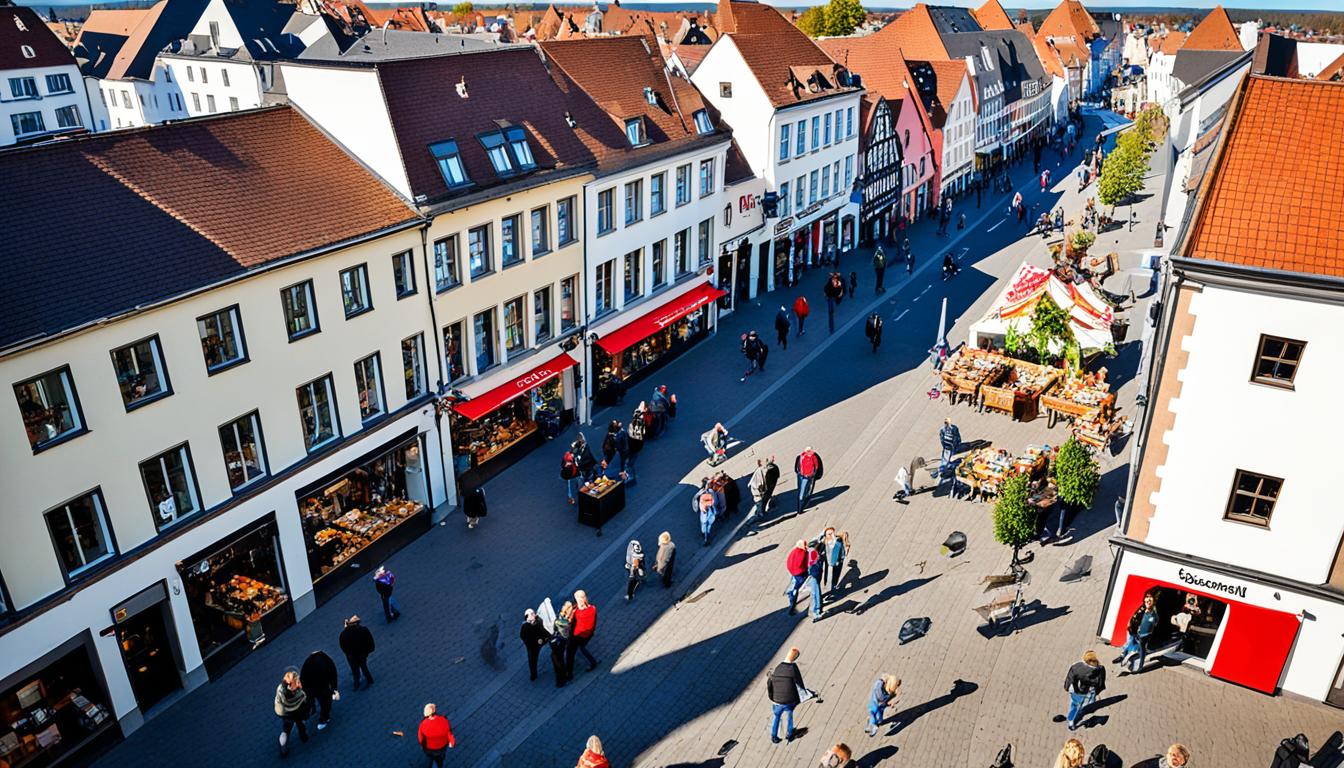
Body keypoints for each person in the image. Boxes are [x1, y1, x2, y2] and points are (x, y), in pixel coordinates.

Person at [766, 647, 807, 744]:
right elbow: (799, 682)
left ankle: (774, 736)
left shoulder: (778, 667)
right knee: (789, 716)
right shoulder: (793, 668)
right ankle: (789, 734)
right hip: (788, 701)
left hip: (776, 700)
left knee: (777, 717)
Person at [1116, 592, 1160, 674]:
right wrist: (1129, 623)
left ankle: (1139, 667)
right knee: (1128, 644)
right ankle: (1122, 656)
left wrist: (1145, 634)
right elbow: (1134, 615)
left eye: (1151, 597)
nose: (1148, 599)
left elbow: (1154, 623)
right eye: (1147, 597)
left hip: (1142, 636)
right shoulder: (1142, 608)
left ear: (1154, 600)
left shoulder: (1153, 614)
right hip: (1133, 631)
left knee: (1141, 650)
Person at [1063, 650, 1106, 731]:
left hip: (1077, 691)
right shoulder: (1100, 669)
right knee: (1086, 702)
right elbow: (1100, 682)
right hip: (1089, 691)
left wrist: (1066, 687)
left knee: (1075, 704)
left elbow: (1069, 678)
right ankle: (1077, 715)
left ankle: (1071, 720)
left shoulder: (1076, 667)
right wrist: (1098, 691)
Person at [299, 650, 338, 731]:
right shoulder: (325, 661)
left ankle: (314, 713)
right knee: (325, 702)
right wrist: (334, 688)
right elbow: (333, 674)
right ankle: (324, 718)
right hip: (322, 687)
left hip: (312, 688)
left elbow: (302, 679)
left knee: (321, 701)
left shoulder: (307, 664)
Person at [273, 668, 309, 758]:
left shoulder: (280, 689)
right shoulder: (297, 691)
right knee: (300, 724)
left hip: (286, 713)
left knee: (285, 731)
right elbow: (304, 698)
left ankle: (283, 749)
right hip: (297, 711)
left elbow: (278, 700)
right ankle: (303, 737)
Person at [338, 615, 375, 690]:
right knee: (364, 667)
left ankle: (357, 683)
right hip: (362, 653)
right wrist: (368, 651)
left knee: (355, 670)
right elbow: (370, 640)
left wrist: (348, 653)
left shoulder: (343, 634)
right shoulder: (363, 630)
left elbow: (343, 646)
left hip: (351, 656)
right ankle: (369, 679)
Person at [567, 590, 599, 675]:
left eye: (575, 598)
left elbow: (570, 622)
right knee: (582, 648)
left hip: (578, 636)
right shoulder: (592, 608)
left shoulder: (578, 613)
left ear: (579, 600)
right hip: (588, 634)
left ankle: (569, 672)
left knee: (571, 651)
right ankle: (593, 662)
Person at [417, 703, 456, 768]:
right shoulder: (444, 720)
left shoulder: (423, 724)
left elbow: (420, 739)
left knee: (430, 758)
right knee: (440, 760)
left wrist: (423, 746)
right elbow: (449, 733)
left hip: (429, 749)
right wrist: (452, 743)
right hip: (441, 747)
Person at [520, 609, 552, 682]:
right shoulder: (525, 627)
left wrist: (545, 638)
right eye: (531, 614)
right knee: (532, 659)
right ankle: (533, 674)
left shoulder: (539, 620)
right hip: (533, 646)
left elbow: (544, 629)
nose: (534, 614)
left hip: (542, 640)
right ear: (527, 617)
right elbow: (523, 636)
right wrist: (530, 643)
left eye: (533, 613)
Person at [551, 601, 573, 688]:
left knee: (558, 661)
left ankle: (561, 679)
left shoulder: (561, 619)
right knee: (558, 660)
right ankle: (562, 678)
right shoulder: (563, 620)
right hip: (561, 642)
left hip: (559, 642)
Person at [795, 447, 824, 514]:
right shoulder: (814, 457)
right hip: (810, 477)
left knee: (800, 491)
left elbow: (796, 468)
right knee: (808, 491)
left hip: (801, 476)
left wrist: (798, 473)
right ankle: (802, 507)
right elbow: (818, 467)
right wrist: (816, 476)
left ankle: (799, 508)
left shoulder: (800, 456)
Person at [785, 540, 809, 615]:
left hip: (793, 572)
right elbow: (805, 563)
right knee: (797, 588)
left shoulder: (794, 551)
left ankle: (791, 593)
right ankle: (792, 603)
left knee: (794, 584)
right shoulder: (803, 553)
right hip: (800, 573)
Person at [822, 529, 848, 598]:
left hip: (836, 562)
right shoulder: (826, 541)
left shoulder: (838, 541)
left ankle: (832, 590)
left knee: (834, 576)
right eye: (829, 534)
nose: (831, 535)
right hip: (830, 563)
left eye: (832, 533)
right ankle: (831, 589)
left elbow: (845, 534)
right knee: (830, 577)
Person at [804, 540, 825, 622]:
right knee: (816, 591)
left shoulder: (814, 554)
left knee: (815, 592)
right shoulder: (818, 553)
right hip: (816, 574)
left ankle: (817, 611)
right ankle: (818, 607)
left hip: (814, 575)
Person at [624, 410, 644, 484]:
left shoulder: (632, 425)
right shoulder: (640, 425)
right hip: (635, 448)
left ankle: (630, 478)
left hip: (632, 448)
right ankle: (632, 477)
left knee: (629, 463)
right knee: (631, 463)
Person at [938, 418, 961, 483]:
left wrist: (957, 443)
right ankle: (944, 471)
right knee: (945, 459)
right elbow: (942, 438)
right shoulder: (943, 430)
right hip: (947, 447)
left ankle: (953, 470)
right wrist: (944, 445)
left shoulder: (954, 428)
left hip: (952, 446)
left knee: (953, 458)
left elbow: (957, 436)